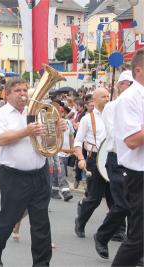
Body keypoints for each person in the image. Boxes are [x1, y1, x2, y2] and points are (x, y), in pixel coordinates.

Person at [0, 78, 66, 267]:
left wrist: (56, 130)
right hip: (14, 176)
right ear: (7, 94)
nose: (23, 94)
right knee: (8, 219)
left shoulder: (38, 112)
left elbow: (48, 144)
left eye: (25, 90)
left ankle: (42, 263)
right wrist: (25, 131)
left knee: (41, 223)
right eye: (18, 91)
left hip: (40, 173)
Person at [92, 70, 134, 259]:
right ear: (119, 85)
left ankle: (136, 251)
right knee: (123, 205)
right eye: (128, 84)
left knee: (137, 209)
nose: (132, 88)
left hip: (135, 162)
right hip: (117, 159)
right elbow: (118, 135)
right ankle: (102, 236)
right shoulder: (112, 107)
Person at [111, 49, 144, 267]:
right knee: (139, 239)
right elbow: (131, 141)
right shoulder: (129, 99)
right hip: (139, 175)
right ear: (139, 71)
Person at [74, 88, 113, 238]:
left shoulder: (114, 116)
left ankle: (118, 230)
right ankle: (80, 221)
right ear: (94, 100)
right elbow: (77, 142)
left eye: (108, 96)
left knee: (115, 198)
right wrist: (81, 159)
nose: (107, 98)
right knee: (94, 198)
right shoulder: (87, 119)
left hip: (112, 159)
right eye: (103, 96)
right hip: (94, 159)